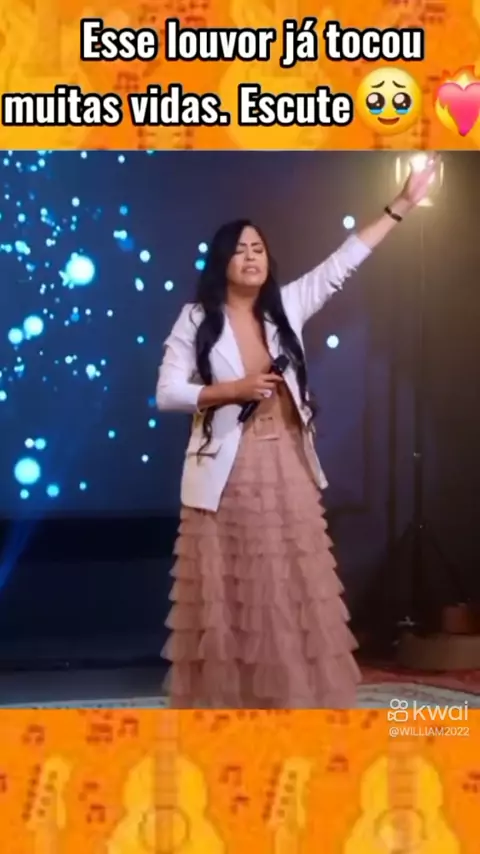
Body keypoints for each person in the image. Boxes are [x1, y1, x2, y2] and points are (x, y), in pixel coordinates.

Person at [156, 156, 438, 709]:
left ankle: (291, 706)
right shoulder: (196, 319)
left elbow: (343, 262)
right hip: (228, 472)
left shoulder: (286, 305)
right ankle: (234, 709)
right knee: (237, 594)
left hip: (287, 463)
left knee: (289, 590)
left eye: (259, 248)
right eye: (241, 249)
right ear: (221, 262)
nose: (252, 257)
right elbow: (167, 393)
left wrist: (402, 205)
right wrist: (231, 389)